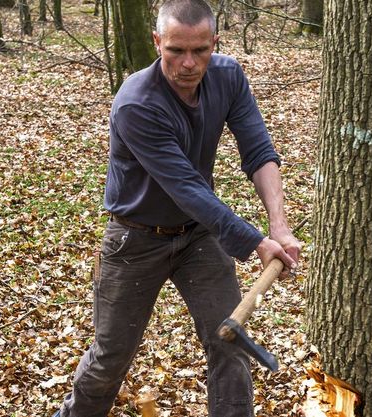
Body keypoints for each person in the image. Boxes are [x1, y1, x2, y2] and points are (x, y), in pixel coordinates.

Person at [53, 0, 301, 416]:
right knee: (110, 359)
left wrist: (279, 225)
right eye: (176, 51)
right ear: (157, 43)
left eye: (200, 50)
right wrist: (254, 241)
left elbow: (258, 149)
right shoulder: (137, 103)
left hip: (198, 235)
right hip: (135, 239)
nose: (188, 63)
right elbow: (185, 186)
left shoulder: (228, 76)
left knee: (230, 344)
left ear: (214, 43)